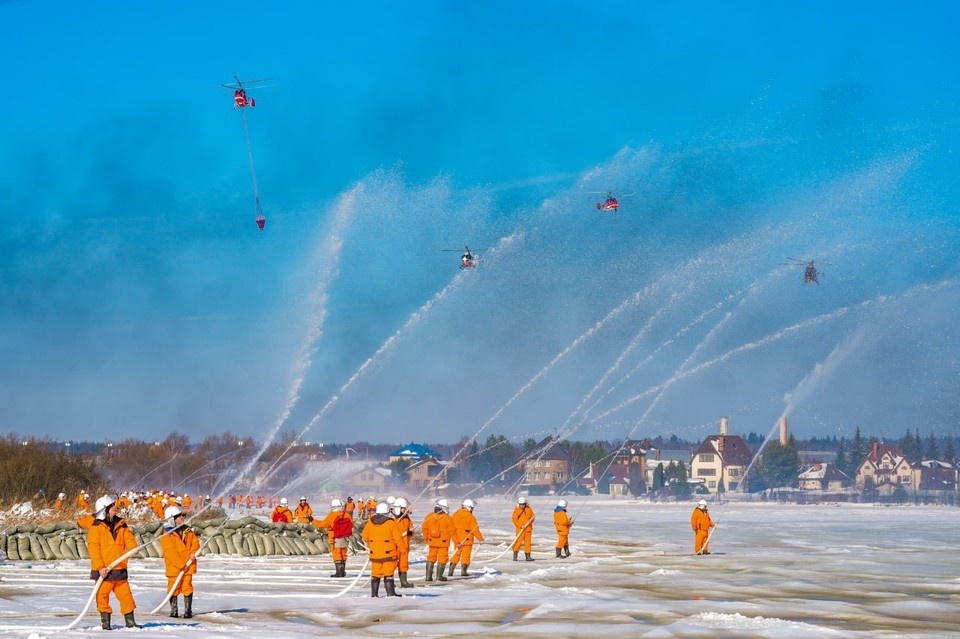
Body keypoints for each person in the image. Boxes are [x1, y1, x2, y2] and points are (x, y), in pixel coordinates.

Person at [87, 494, 140, 629]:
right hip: (104, 571)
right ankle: (106, 624)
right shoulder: (96, 528)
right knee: (102, 597)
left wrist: (134, 548)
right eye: (111, 506)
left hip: (119, 568)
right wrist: (100, 567)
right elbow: (94, 549)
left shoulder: (121, 525)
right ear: (104, 509)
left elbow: (129, 539)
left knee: (126, 596)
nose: (115, 508)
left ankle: (130, 622)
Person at [159, 505, 200, 618]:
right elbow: (170, 553)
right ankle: (174, 611)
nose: (182, 517)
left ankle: (188, 612)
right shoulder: (167, 535)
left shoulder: (187, 530)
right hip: (175, 568)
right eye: (179, 516)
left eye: (182, 515)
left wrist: (193, 553)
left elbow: (195, 543)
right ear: (172, 519)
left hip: (188, 565)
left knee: (187, 587)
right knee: (174, 588)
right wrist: (181, 565)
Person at [362, 502, 404, 597]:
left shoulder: (370, 522)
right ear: (387, 511)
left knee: (375, 574)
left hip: (375, 554)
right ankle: (390, 593)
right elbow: (398, 538)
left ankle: (374, 594)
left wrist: (374, 544)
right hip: (389, 554)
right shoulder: (391, 523)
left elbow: (365, 536)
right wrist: (403, 549)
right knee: (388, 574)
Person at [312, 498, 353, 577]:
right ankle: (342, 571)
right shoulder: (346, 514)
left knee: (336, 554)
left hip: (334, 538)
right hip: (345, 537)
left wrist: (312, 520)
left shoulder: (331, 515)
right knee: (343, 554)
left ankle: (339, 573)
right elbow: (352, 524)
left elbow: (322, 524)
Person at [421, 498, 455, 582]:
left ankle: (428, 576)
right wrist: (457, 542)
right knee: (442, 558)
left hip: (432, 541)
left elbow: (424, 528)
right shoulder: (447, 518)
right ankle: (439, 576)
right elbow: (453, 532)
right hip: (443, 543)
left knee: (431, 557)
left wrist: (426, 538)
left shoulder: (429, 516)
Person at [449, 499, 484, 576]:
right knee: (466, 555)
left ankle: (451, 570)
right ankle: (464, 571)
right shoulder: (470, 517)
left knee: (456, 554)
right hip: (467, 539)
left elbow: (450, 527)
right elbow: (475, 529)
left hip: (457, 539)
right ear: (469, 507)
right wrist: (480, 539)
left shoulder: (455, 515)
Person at [391, 498, 415, 588]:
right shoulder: (392, 520)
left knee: (403, 564)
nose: (405, 510)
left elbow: (412, 530)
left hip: (405, 546)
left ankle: (404, 582)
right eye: (404, 508)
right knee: (392, 564)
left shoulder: (407, 519)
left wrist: (410, 533)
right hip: (395, 546)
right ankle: (390, 582)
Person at [512, 496, 535, 561]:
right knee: (518, 542)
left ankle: (528, 556)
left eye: (523, 504)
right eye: (521, 504)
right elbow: (514, 519)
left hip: (528, 529)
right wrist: (520, 526)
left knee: (528, 543)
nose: (522, 505)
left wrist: (531, 520)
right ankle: (515, 556)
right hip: (520, 530)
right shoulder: (516, 510)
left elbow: (532, 516)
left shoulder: (528, 508)